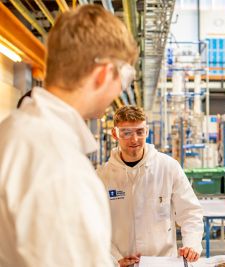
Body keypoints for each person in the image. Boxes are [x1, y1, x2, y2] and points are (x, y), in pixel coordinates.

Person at [0, 5, 138, 267]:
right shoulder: (59, 165)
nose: (120, 89)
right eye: (124, 77)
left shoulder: (11, 131)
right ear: (102, 74)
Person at [97, 106, 204, 267]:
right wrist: (114, 258)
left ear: (146, 132)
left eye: (140, 132)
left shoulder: (168, 167)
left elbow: (190, 212)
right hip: (122, 263)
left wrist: (192, 244)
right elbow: (95, 224)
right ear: (115, 134)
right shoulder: (102, 176)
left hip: (163, 262)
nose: (134, 139)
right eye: (126, 133)